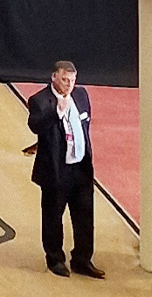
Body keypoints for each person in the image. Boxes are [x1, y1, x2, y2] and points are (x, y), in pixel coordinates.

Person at [27, 60, 105, 278]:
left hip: (81, 169)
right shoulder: (40, 100)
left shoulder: (81, 95)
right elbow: (35, 125)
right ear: (54, 77)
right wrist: (57, 112)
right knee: (53, 217)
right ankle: (55, 259)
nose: (69, 84)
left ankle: (82, 260)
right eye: (64, 79)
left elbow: (85, 125)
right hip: (56, 170)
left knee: (85, 218)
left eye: (72, 80)